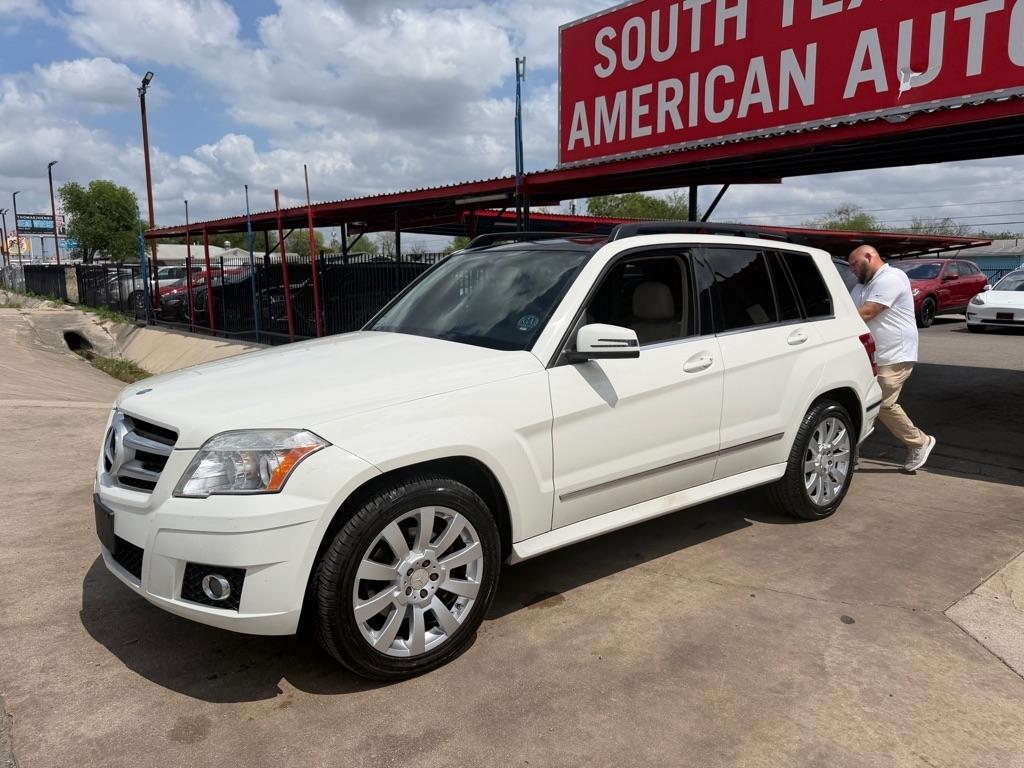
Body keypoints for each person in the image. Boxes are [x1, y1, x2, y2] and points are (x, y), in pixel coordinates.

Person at [848, 245, 936, 472]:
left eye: (854, 264)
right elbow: (848, 311)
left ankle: (920, 442)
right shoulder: (860, 287)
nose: (852, 270)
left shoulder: (892, 278)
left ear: (870, 256)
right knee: (860, 403)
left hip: (896, 354)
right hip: (871, 356)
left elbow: (868, 312)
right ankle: (849, 454)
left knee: (883, 403)